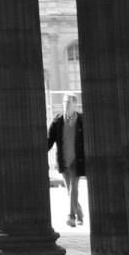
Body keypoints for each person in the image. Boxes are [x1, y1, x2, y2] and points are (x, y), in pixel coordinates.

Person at [47, 96, 86, 226]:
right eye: (64, 102)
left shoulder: (82, 120)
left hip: (77, 160)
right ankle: (80, 213)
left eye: (69, 102)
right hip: (64, 160)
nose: (66, 105)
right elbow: (49, 140)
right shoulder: (57, 121)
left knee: (73, 188)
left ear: (75, 105)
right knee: (69, 189)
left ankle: (71, 216)